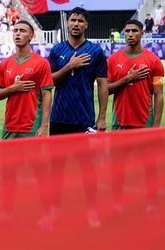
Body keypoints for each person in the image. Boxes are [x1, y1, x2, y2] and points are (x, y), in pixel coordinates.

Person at [47, 7, 107, 227]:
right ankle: (55, 211)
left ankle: (91, 211)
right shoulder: (57, 50)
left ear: (86, 25)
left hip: (84, 119)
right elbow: (49, 81)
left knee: (87, 170)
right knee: (57, 170)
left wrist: (101, 118)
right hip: (59, 118)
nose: (75, 24)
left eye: (80, 21)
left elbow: (102, 84)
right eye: (73, 20)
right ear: (68, 23)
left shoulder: (96, 51)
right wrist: (69, 66)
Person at [0, 20, 54, 229]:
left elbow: (47, 94)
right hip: (10, 128)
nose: (18, 34)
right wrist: (14, 88)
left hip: (31, 126)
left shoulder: (41, 63)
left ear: (31, 36)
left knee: (40, 174)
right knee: (8, 175)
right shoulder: (5, 64)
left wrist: (44, 125)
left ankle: (46, 214)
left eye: (22, 31)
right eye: (15, 30)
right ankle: (7, 215)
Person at [107, 19, 165, 216]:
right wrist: (127, 79)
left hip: (144, 124)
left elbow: (158, 94)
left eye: (134, 31)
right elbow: (106, 90)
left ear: (142, 33)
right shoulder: (113, 60)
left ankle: (151, 205)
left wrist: (155, 125)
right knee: (118, 168)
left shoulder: (153, 61)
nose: (130, 34)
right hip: (119, 122)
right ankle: (117, 205)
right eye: (127, 31)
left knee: (149, 168)